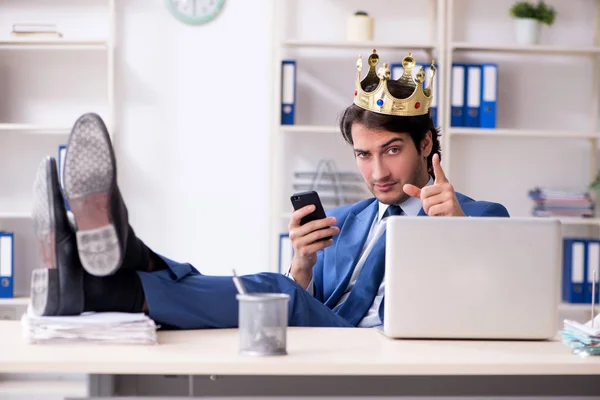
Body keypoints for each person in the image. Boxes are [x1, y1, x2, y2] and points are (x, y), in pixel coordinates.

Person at [29, 50, 509, 329]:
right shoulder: (345, 220)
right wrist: (302, 264)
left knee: (275, 293)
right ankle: (125, 267)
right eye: (364, 155)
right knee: (272, 287)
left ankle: (119, 277)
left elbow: (497, 309)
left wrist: (457, 235)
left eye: (391, 150)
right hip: (328, 349)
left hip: (388, 348)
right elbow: (310, 308)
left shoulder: (482, 218)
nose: (377, 170)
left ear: (426, 144)